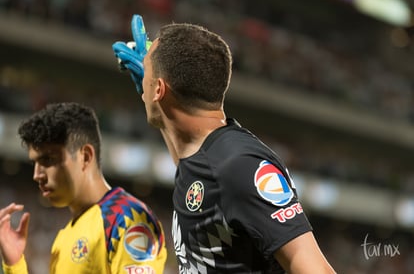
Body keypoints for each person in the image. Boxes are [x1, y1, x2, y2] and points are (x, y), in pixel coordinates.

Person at [113, 15, 336, 273]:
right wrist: (154, 98)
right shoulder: (205, 157)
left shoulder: (240, 164)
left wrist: (153, 95)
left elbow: (315, 268)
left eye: (147, 79)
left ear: (160, 89)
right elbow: (195, 167)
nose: (143, 85)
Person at [0, 102, 167, 274]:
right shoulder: (64, 238)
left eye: (48, 160)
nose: (37, 174)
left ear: (85, 157)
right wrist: (15, 265)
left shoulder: (127, 218)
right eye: (34, 163)